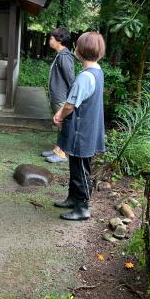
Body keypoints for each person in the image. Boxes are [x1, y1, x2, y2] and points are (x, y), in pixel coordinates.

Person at [52, 32, 106, 221]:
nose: (75, 48)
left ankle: (82, 207)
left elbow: (70, 105)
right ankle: (72, 198)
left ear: (82, 51)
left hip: (81, 130)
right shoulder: (97, 71)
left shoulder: (85, 77)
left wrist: (59, 114)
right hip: (87, 128)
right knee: (76, 167)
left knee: (81, 170)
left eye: (77, 46)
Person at [42, 27, 75, 163]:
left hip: (62, 98)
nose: (49, 40)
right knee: (59, 123)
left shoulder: (65, 57)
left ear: (59, 40)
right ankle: (57, 148)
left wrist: (70, 99)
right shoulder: (60, 55)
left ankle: (62, 154)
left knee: (63, 124)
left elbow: (71, 80)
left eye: (51, 38)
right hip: (57, 96)